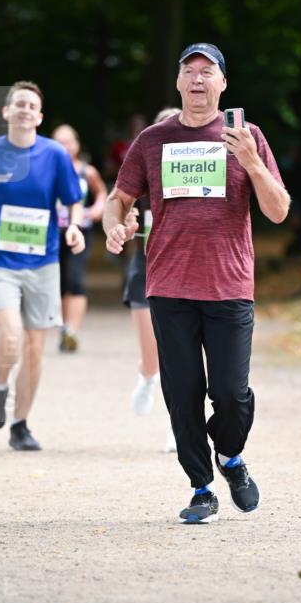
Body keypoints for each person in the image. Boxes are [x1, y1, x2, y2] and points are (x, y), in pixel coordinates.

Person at [103, 43, 290, 523]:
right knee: (182, 391)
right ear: (178, 83)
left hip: (229, 285)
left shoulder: (246, 136)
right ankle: (201, 487)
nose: (198, 79)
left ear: (223, 83)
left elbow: (277, 210)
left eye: (208, 72)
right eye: (190, 71)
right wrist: (114, 225)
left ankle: (230, 457)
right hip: (169, 285)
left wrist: (251, 161)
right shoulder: (152, 140)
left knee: (231, 393)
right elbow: (118, 199)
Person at [0, 81, 85, 450]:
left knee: (34, 346)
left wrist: (72, 225)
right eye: (19, 104)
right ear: (6, 112)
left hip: (43, 261)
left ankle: (20, 425)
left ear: (39, 117)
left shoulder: (55, 154)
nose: (25, 110)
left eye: (32, 106)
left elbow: (72, 199)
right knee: (10, 336)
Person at [122, 107, 179, 452]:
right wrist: (126, 225)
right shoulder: (142, 168)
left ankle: (180, 426)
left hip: (187, 269)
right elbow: (124, 208)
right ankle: (146, 377)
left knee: (181, 359)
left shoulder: (203, 167)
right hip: (147, 269)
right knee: (153, 357)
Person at [51, 124, 107, 352]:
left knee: (75, 279)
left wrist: (97, 209)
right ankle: (65, 330)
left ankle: (73, 330)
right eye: (59, 141)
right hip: (52, 233)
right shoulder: (46, 168)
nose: (65, 146)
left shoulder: (86, 171)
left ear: (76, 144)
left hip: (80, 232)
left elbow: (102, 192)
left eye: (68, 141)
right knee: (60, 282)